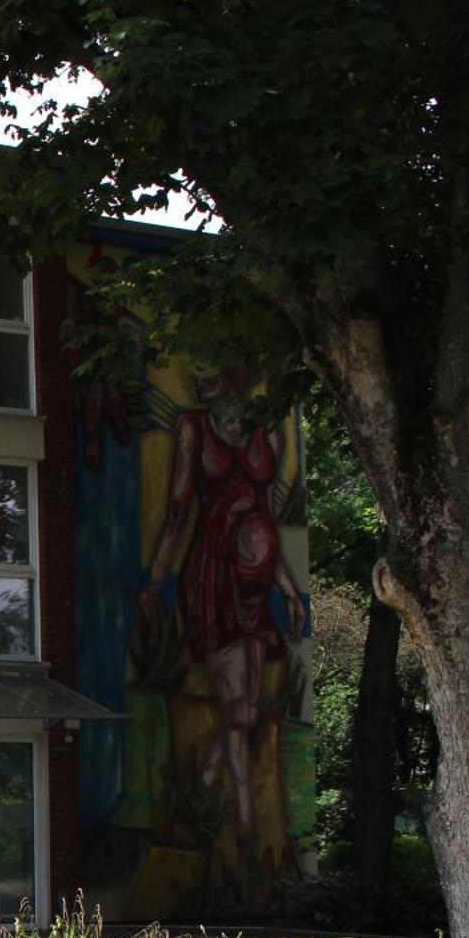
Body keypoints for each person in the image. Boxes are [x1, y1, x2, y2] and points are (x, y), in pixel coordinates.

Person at [139, 368, 307, 868]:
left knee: (248, 712)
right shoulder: (193, 427)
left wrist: (290, 591)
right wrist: (156, 578)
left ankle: (204, 789)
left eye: (212, 371)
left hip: (256, 579)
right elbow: (177, 510)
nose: (199, 380)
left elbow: (266, 518)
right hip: (213, 578)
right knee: (238, 711)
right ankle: (247, 836)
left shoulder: (268, 425)